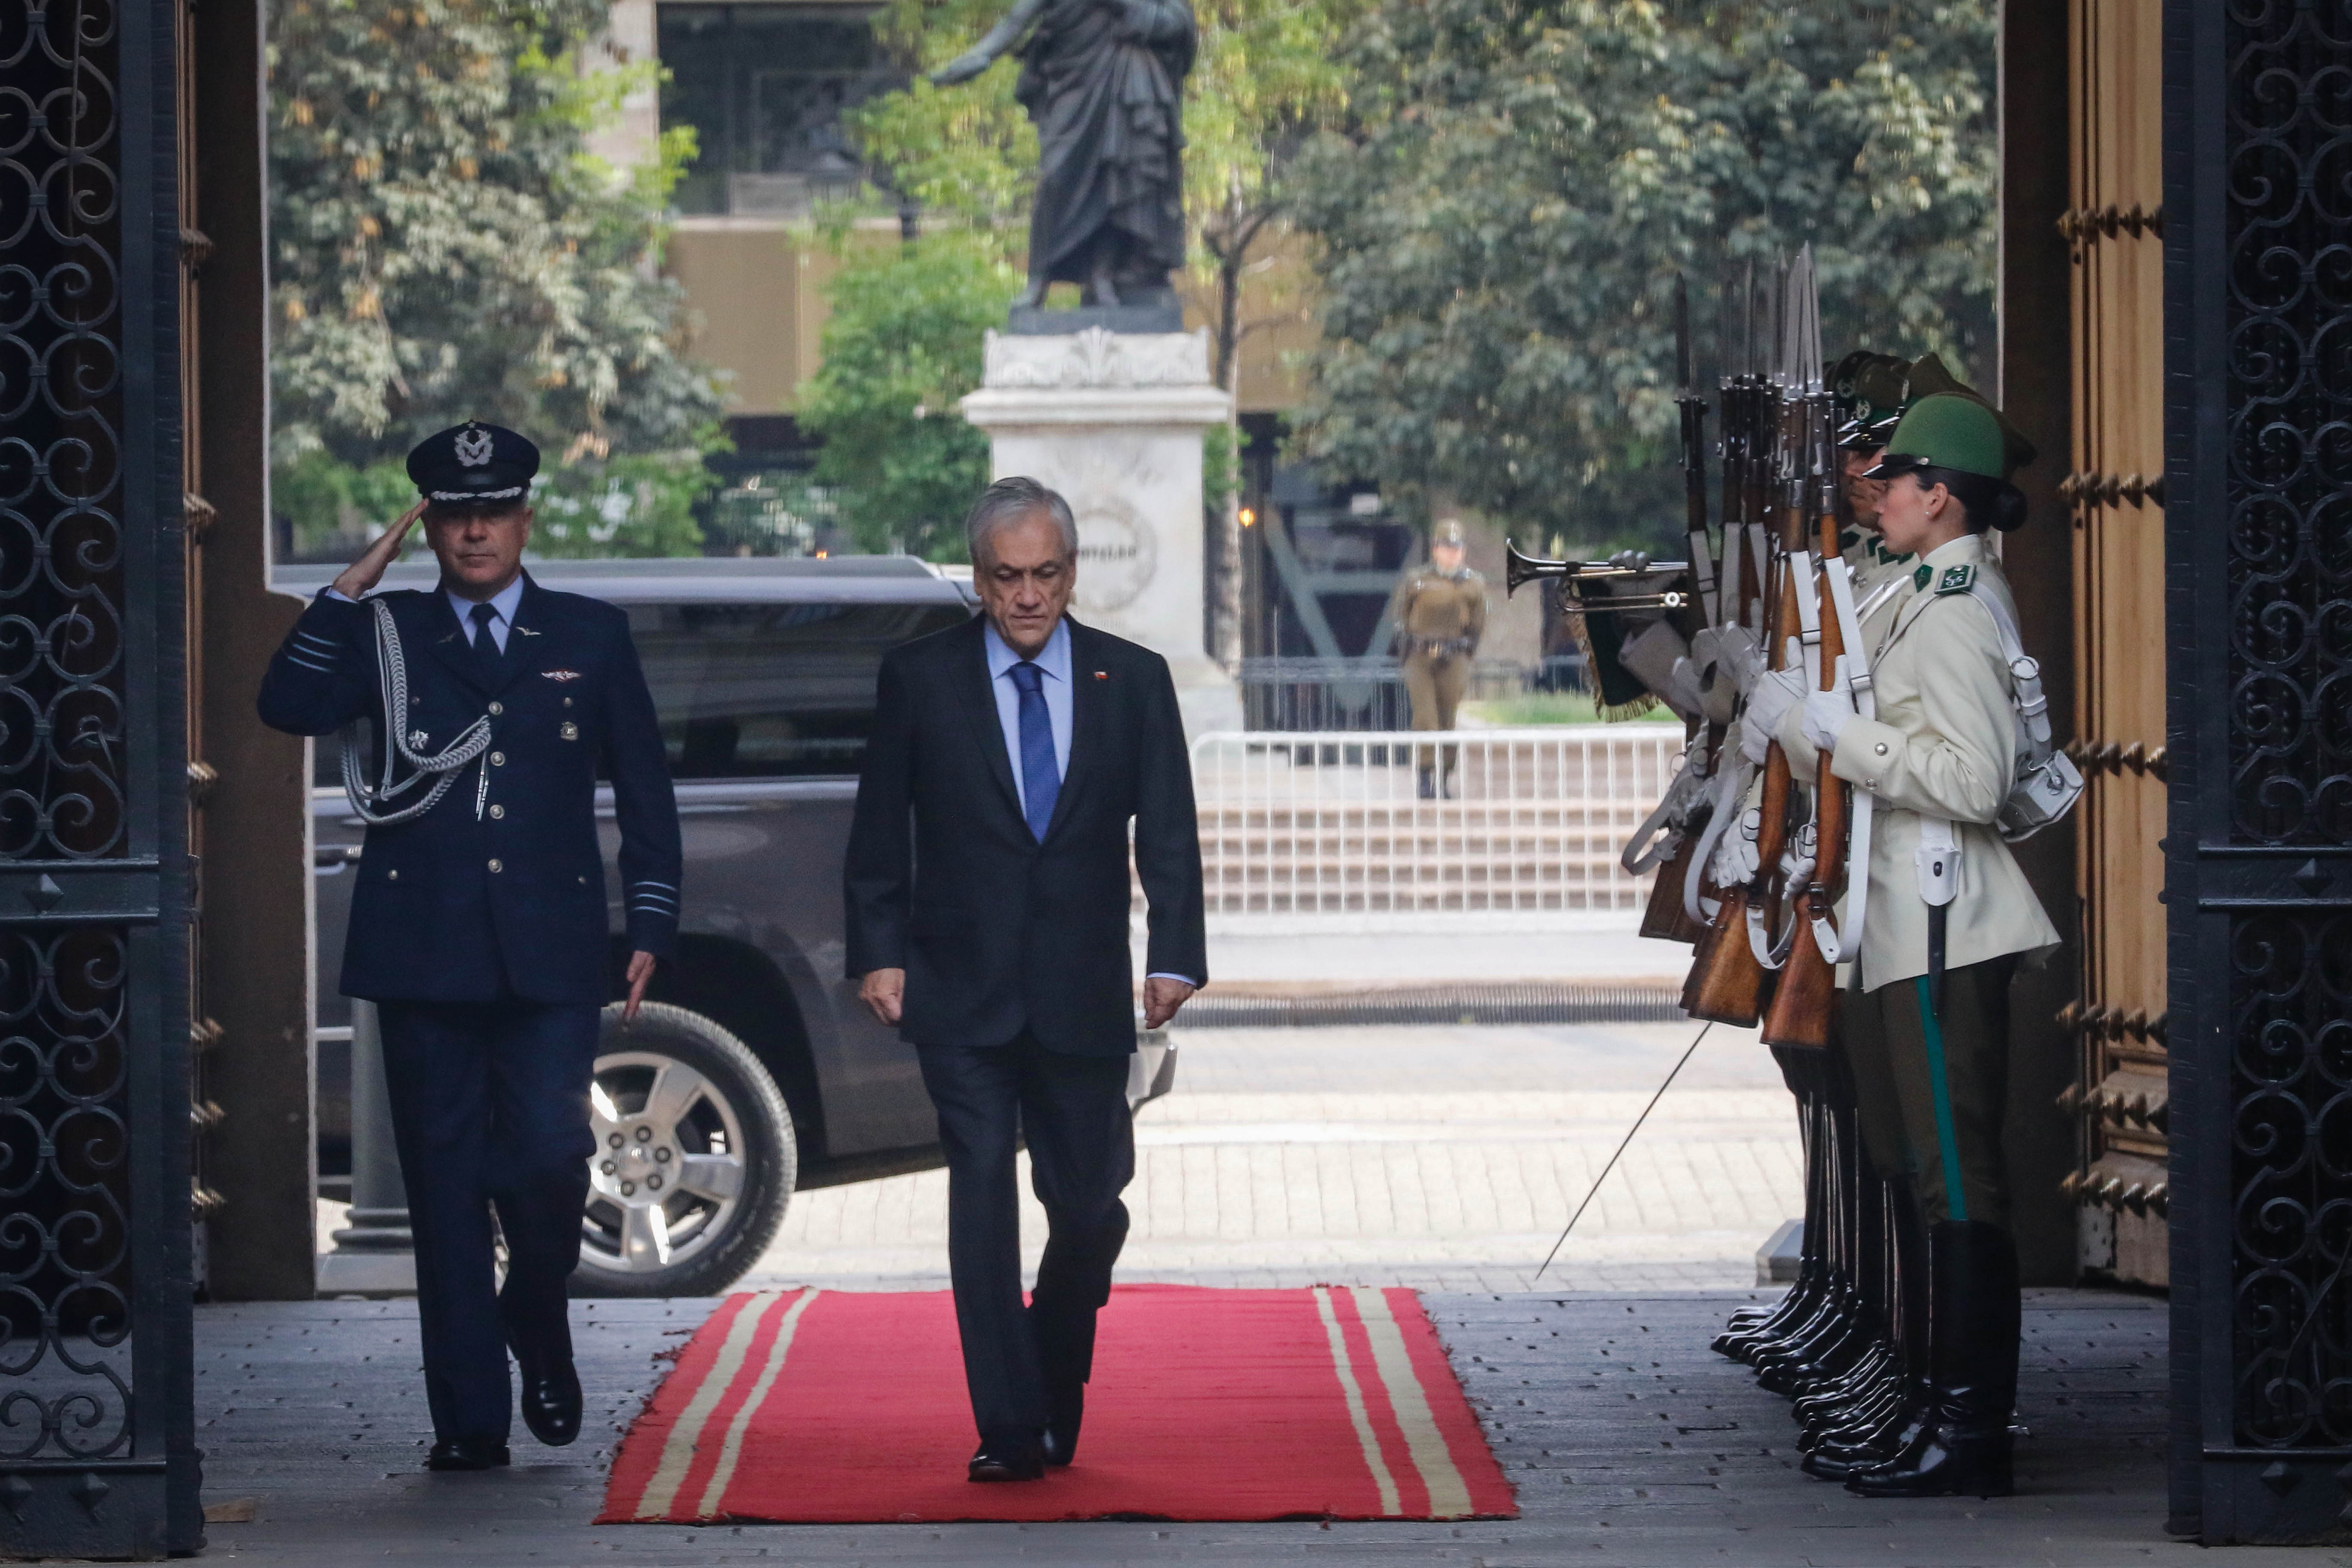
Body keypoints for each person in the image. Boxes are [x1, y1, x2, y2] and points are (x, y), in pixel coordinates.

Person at [257, 423, 681, 1473]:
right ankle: (468, 1418)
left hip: (550, 948)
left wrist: (655, 916)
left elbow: (643, 784)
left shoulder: (588, 633)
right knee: (444, 1188)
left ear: (526, 518)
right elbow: (285, 705)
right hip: (422, 948)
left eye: (492, 511)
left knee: (547, 1160)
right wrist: (350, 587)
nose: (475, 529)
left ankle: (534, 1309)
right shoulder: (387, 631)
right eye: (452, 514)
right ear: (428, 525)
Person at [843, 476, 1207, 1483]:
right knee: (979, 1202)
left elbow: (1166, 827)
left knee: (1089, 1204)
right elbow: (881, 829)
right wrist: (877, 947)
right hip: (958, 990)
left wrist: (1174, 953)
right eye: (1007, 578)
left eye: (1046, 574)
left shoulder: (1129, 680)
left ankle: (1052, 1368)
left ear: (1071, 574)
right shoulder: (920, 678)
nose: (1028, 597)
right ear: (979, 579)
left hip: (1083, 992)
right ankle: (1008, 1428)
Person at [1752, 393, 2062, 1498]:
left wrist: (1841, 734)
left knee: (1955, 1182)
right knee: (1913, 1170)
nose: (1874, 491)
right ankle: (1931, 1408)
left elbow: (1971, 782)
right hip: (1896, 926)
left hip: (1941, 925)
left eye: (1894, 478)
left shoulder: (1954, 606)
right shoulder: (1915, 592)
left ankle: (1970, 1433)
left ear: (1940, 496)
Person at [931, 0, 1195, 310]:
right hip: (1074, 75)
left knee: (1116, 177)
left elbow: (1178, 19)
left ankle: (1102, 275)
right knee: (1058, 177)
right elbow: (1018, 18)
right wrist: (981, 55)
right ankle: (1038, 278)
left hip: (1125, 72)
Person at [1387, 517, 1488, 797]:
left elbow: (1478, 624)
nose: (1451, 553)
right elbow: (1402, 617)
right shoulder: (1418, 581)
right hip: (1420, 656)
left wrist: (1465, 651)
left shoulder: (1473, 584)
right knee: (1426, 718)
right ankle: (1424, 775)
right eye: (1446, 547)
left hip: (1453, 656)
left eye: (1456, 548)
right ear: (1435, 550)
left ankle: (1444, 779)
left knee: (1447, 720)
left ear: (1463, 551)